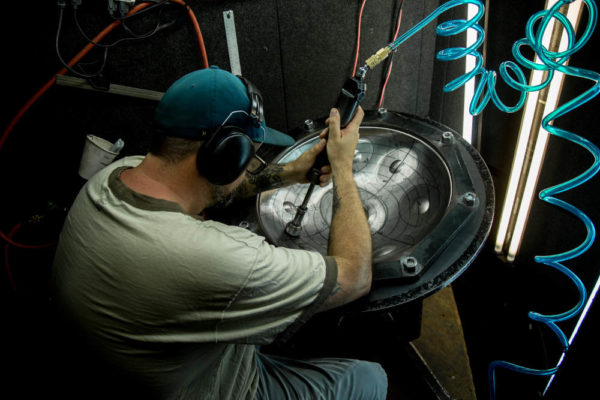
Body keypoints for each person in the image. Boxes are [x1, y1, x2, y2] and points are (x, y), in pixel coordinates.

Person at [52, 67, 387, 399]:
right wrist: (343, 166)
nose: (248, 168)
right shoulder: (216, 258)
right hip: (219, 388)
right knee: (370, 377)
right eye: (249, 157)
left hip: (136, 365)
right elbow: (355, 276)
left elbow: (209, 188)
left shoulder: (112, 176)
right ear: (224, 156)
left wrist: (289, 173)